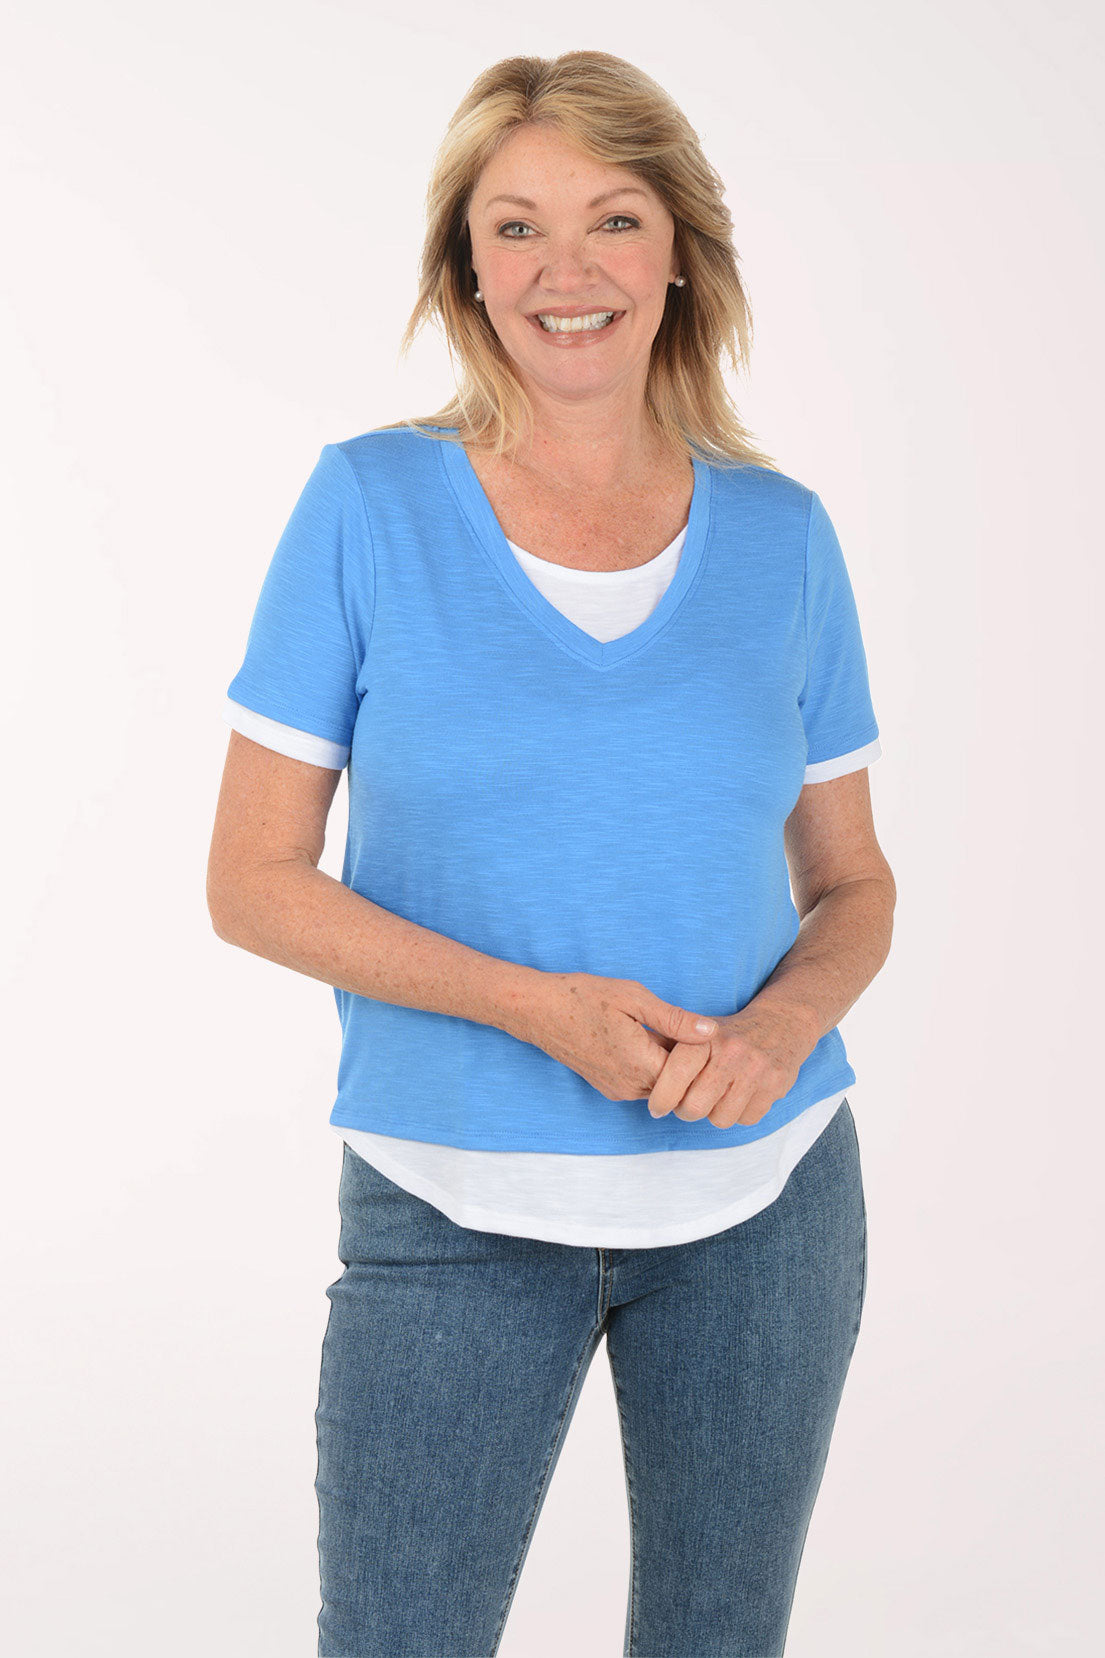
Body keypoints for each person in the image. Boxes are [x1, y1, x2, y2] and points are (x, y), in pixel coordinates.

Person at [207, 49, 896, 1658]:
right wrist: (539, 1009)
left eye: (611, 217)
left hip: (765, 1206)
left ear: (677, 253)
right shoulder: (368, 506)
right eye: (512, 228)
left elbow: (852, 883)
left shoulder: (782, 535)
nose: (562, 271)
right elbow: (250, 879)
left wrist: (782, 1032)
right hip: (450, 1204)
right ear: (463, 266)